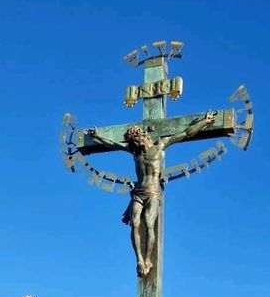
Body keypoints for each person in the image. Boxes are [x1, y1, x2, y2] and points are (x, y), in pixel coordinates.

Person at [89, 111, 216, 277]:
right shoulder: (134, 152)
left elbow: (185, 133)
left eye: (137, 140)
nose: (136, 143)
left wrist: (204, 122)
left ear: (144, 136)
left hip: (154, 192)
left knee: (149, 224)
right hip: (139, 192)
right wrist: (96, 136)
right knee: (135, 223)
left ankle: (148, 259)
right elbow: (112, 144)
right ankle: (139, 260)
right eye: (133, 142)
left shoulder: (160, 145)